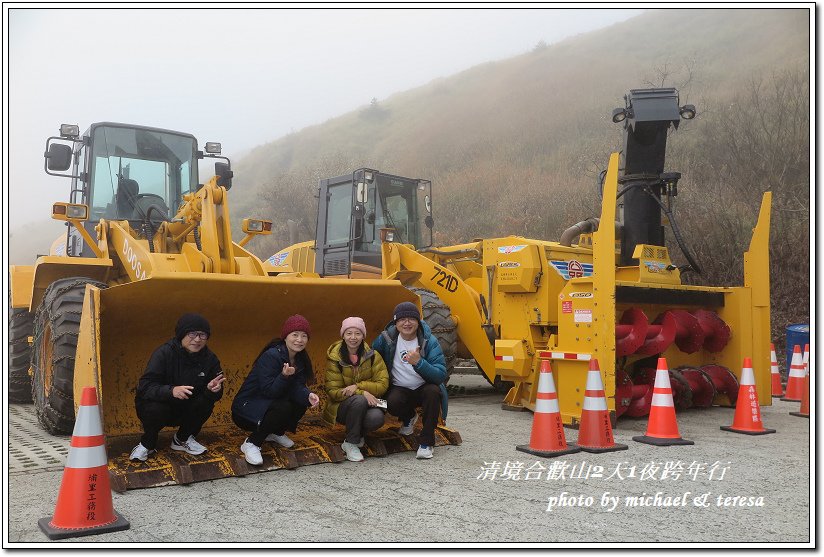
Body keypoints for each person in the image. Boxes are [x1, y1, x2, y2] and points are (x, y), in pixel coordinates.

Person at [130, 313, 226, 461]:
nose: (197, 339)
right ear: (182, 334)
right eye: (192, 334)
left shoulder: (210, 359)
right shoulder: (164, 353)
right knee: (153, 408)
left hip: (187, 408)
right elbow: (145, 387)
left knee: (206, 401)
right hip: (163, 407)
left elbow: (218, 391)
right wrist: (171, 391)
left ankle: (182, 439)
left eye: (202, 335)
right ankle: (147, 443)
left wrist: (213, 390)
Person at [232, 314, 320, 466]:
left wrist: (308, 395)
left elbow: (296, 387)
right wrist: (284, 376)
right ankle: (252, 442)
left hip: (267, 405)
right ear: (286, 336)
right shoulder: (271, 356)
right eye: (295, 335)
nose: (299, 340)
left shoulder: (300, 359)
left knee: (302, 401)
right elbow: (268, 391)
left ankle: (275, 433)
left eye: (304, 336)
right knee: (283, 407)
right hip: (246, 410)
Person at [372, 301, 448, 460]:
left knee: (434, 392)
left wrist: (419, 363)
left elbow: (440, 375)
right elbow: (370, 358)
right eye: (402, 319)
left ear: (418, 321)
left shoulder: (429, 341)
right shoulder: (386, 339)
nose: (406, 323)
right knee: (388, 402)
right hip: (398, 388)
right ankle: (408, 417)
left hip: (423, 387)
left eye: (411, 319)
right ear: (395, 322)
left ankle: (426, 442)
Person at [324, 317, 389, 462]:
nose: (353, 337)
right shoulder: (335, 358)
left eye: (358, 333)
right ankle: (350, 443)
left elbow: (383, 384)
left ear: (363, 335)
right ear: (343, 335)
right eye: (349, 333)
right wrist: (362, 393)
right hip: (342, 407)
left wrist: (359, 386)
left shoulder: (373, 356)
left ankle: (358, 433)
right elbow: (333, 391)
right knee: (359, 400)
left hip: (368, 403)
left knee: (377, 418)